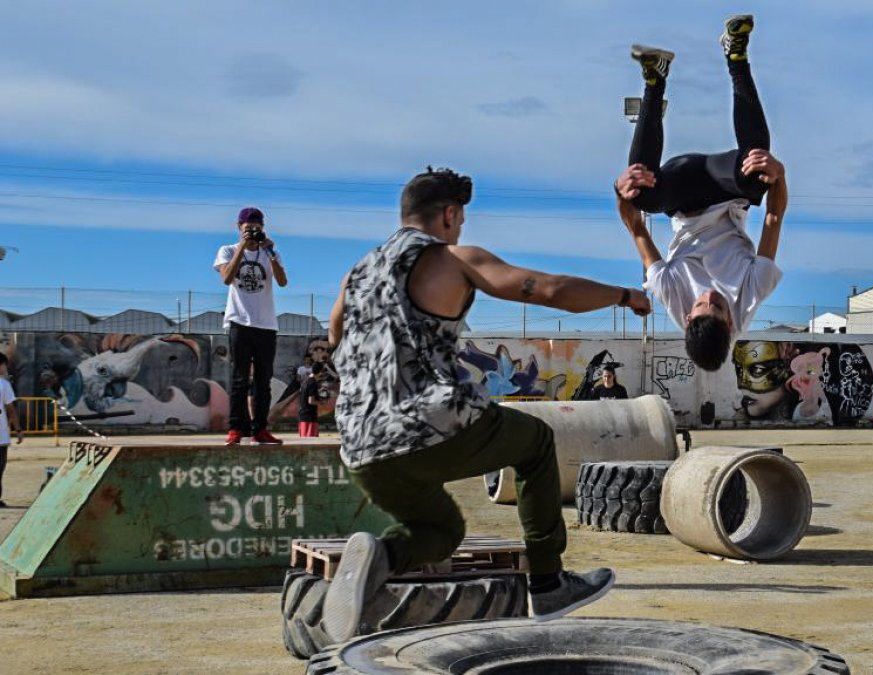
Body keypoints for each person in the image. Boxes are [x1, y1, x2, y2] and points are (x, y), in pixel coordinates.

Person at [324, 167, 652, 643]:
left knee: (441, 530)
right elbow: (549, 290)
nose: (459, 230)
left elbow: (336, 336)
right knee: (537, 440)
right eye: (459, 221)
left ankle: (381, 556)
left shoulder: (356, 275)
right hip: (429, 424)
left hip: (360, 449)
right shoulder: (452, 259)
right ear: (450, 214)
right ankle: (548, 581)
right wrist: (624, 296)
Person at [615, 14, 787, 371]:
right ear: (730, 322)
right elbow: (772, 219)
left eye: (700, 304)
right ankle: (736, 58)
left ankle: (654, 79)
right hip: (726, 188)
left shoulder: (670, 295)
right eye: (719, 305)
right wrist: (779, 175)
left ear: (687, 318)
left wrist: (622, 192)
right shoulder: (751, 294)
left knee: (642, 195)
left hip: (681, 193)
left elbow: (636, 228)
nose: (709, 295)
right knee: (758, 177)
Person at [214, 206, 287, 446]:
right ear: (239, 227)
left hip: (266, 324)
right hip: (239, 322)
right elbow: (226, 278)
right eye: (248, 228)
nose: (253, 231)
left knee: (263, 381)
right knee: (239, 378)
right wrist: (243, 248)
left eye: (257, 228)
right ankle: (236, 428)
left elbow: (283, 281)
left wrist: (271, 251)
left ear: (263, 228)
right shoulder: (227, 250)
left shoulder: (269, 252)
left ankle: (260, 430)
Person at [0, 353, 22, 508]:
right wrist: (18, 429)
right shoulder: (3, 385)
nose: (5, 368)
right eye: (4, 365)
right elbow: (11, 410)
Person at [297, 362, 322, 438]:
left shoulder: (305, 381)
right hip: (310, 418)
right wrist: (321, 402)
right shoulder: (313, 383)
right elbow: (311, 401)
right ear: (320, 372)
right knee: (311, 444)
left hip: (303, 416)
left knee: (303, 445)